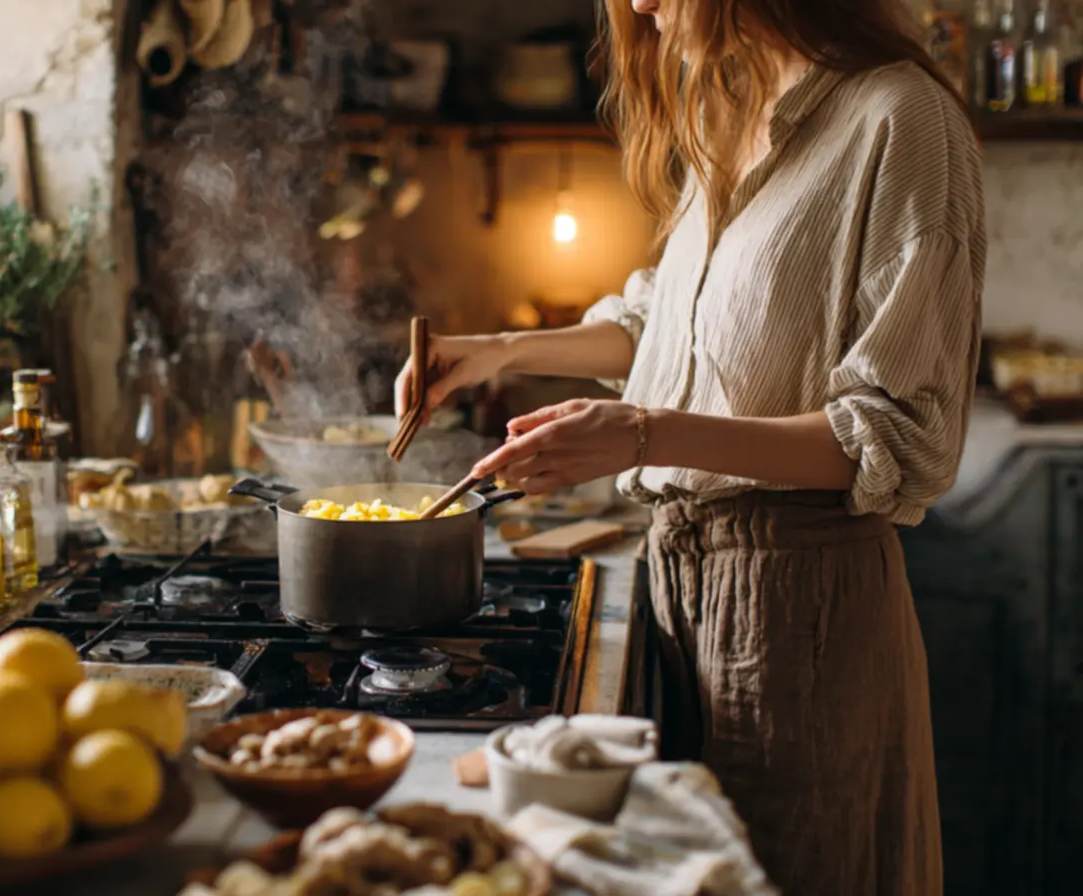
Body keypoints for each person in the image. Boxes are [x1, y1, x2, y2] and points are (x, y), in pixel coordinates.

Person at [395, 1, 983, 893]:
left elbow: (894, 435)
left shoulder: (901, 122)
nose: (636, 5)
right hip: (678, 591)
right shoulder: (730, 108)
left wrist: (638, 434)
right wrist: (497, 353)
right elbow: (667, 325)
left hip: (802, 612)